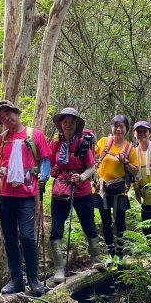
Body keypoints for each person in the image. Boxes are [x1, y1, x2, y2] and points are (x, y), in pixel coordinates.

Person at [0, 100, 51, 296]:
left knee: (27, 237)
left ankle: (33, 279)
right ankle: (16, 279)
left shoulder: (34, 135)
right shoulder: (1, 140)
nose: (7, 118)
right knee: (9, 239)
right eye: (2, 117)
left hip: (26, 195)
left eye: (8, 113)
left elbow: (45, 160)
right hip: (5, 194)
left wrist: (44, 175)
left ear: (16, 113)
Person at [49, 108, 102, 283]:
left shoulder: (82, 143)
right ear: (60, 124)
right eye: (65, 121)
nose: (68, 124)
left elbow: (92, 167)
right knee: (56, 228)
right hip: (60, 190)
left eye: (72, 121)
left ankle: (95, 259)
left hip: (82, 190)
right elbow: (48, 164)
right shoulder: (55, 143)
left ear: (76, 124)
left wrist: (82, 177)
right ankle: (58, 268)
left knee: (88, 224)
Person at [95, 115, 138, 266]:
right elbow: (91, 157)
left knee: (120, 222)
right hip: (102, 190)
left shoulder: (129, 148)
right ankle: (110, 253)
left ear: (126, 129)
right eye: (116, 126)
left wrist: (125, 162)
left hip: (120, 190)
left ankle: (120, 254)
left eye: (122, 126)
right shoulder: (103, 142)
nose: (118, 129)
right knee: (105, 222)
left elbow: (135, 171)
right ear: (112, 127)